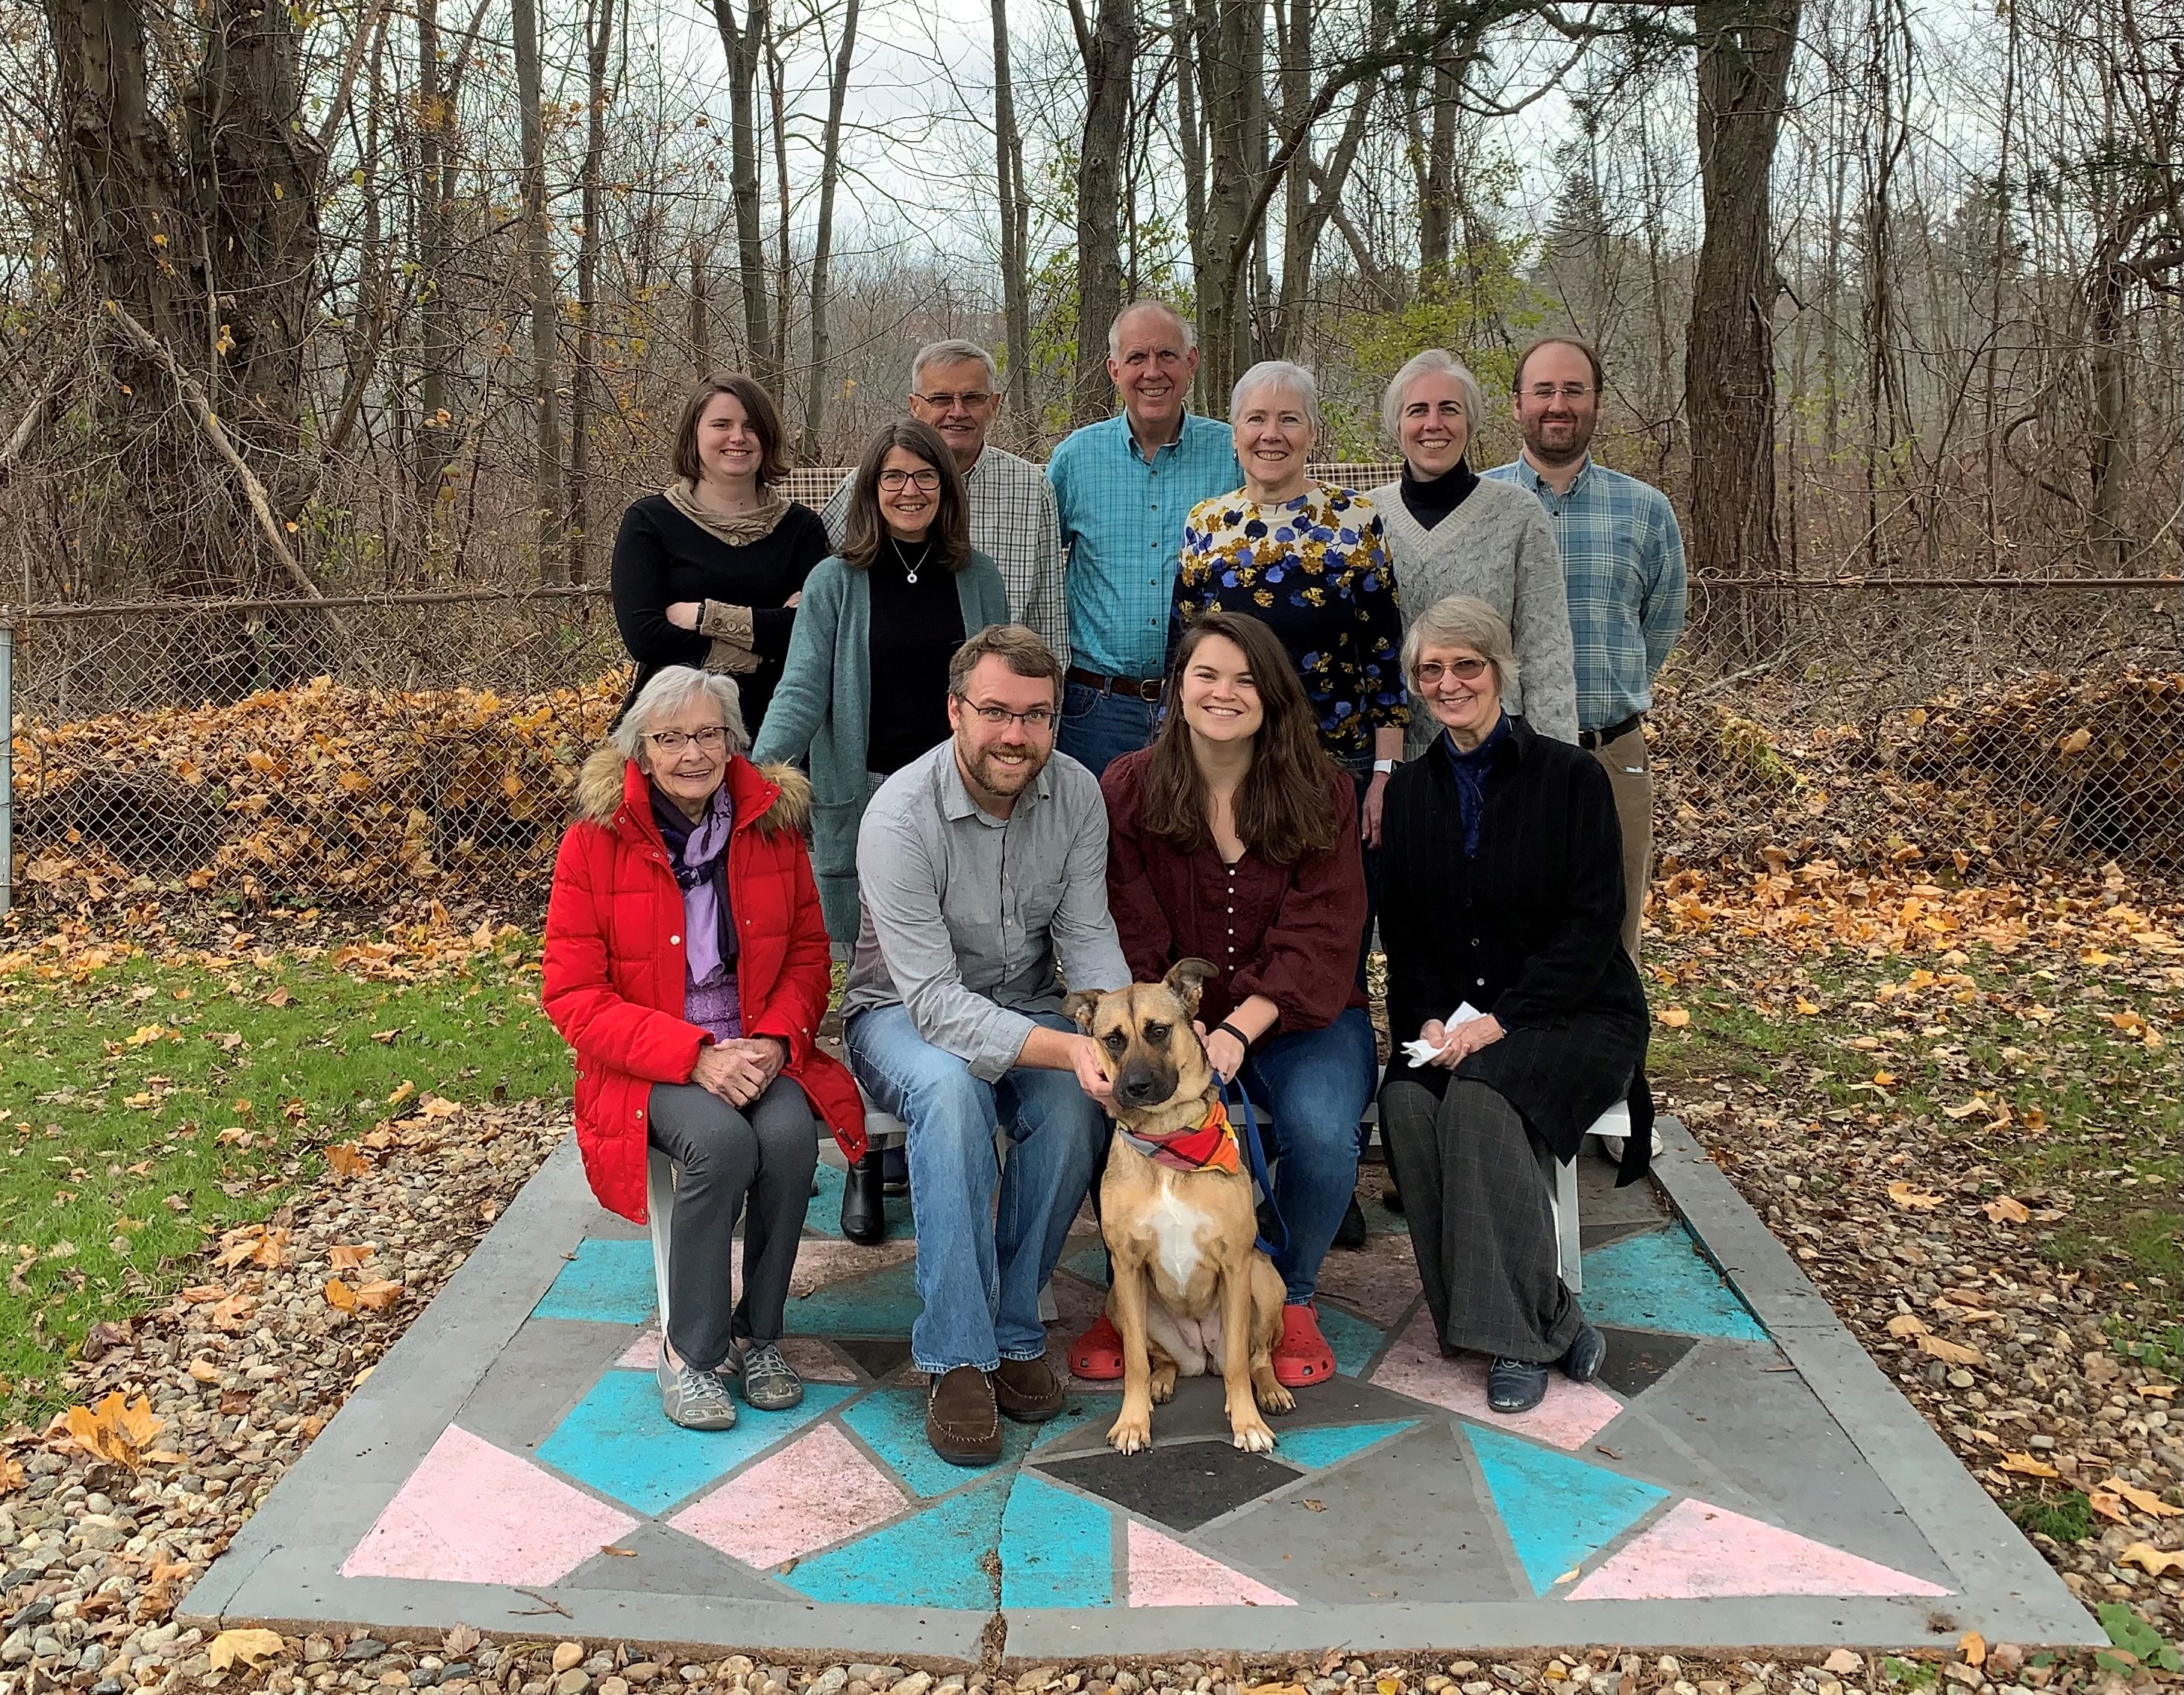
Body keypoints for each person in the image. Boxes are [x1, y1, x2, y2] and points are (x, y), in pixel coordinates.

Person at [542, 666, 865, 1431]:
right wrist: (692, 1055)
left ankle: (759, 1335)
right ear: (641, 751)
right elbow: (572, 996)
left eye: (708, 733)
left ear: (732, 740)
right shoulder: (594, 842)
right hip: (648, 1057)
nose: (693, 752)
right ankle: (689, 1351)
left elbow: (807, 956)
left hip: (755, 1041)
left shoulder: (771, 824)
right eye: (671, 737)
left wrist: (777, 1042)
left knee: (787, 1139)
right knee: (720, 1145)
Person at [842, 624, 1131, 1466]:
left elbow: (1088, 937)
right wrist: (1064, 1047)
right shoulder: (899, 813)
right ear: (955, 711)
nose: (1016, 735)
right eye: (996, 713)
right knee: (951, 1095)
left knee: (1077, 1105)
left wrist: (1110, 1035)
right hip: (898, 1015)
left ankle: (1011, 1331)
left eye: (1036, 716)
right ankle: (954, 1355)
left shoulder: (1075, 793)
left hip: (1030, 1002)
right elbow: (932, 1003)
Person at [1066, 610, 1375, 1391]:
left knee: (1320, 1129)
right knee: (1095, 1108)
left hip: (1300, 1014)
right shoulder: (1129, 787)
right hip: (1171, 1023)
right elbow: (1129, 927)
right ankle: (1140, 1292)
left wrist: (1236, 1027)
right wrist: (1178, 1028)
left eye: (1244, 679)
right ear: (1178, 687)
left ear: (1270, 696)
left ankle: (1289, 1290)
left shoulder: (1321, 792)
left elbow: (1325, 928)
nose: (1223, 693)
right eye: (1205, 674)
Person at [1376, 595, 1650, 1416]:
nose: (1449, 682)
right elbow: (1410, 934)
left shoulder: (1569, 777)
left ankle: (1520, 1333)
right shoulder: (1413, 793)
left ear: (1499, 671)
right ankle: (1505, 1315)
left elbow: (1594, 923)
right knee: (1407, 1101)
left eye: (1466, 665)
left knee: (1480, 1100)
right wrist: (1426, 1017)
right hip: (1456, 1020)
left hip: (1576, 1008)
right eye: (1431, 669)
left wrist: (1500, 1019)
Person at [1171, 360, 1407, 954]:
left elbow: (1384, 655)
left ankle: (1334, 1042)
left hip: (1334, 763)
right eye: (1255, 419)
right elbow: (1184, 652)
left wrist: (1382, 774)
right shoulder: (1207, 526)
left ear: (1311, 433)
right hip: (1229, 765)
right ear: (1234, 432)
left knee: (1331, 931)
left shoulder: (1354, 521)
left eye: (1288, 420)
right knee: (1239, 928)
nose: (1270, 434)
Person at [753, 419, 1010, 946]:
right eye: (893, 477)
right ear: (870, 488)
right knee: (871, 950)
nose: (909, 491)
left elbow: (1001, 690)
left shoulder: (978, 577)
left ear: (946, 486)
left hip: (956, 786)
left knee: (958, 936)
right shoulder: (834, 580)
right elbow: (801, 687)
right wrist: (757, 774)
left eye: (924, 476)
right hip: (865, 786)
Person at [1483, 337, 1686, 961]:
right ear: (1517, 404)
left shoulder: (1645, 510)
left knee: (1613, 923)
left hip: (1610, 752)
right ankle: (1511, 1057)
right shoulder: (1481, 504)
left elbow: (1662, 620)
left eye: (1573, 390)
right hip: (1504, 757)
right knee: (1504, 924)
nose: (1557, 404)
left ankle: (1615, 1057)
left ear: (1596, 402)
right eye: (1542, 391)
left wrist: (1606, 696)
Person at [1048, 301, 1242, 777]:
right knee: (1099, 846)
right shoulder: (1075, 460)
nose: (1152, 372)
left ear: (1191, 362)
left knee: (1198, 844)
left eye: (1167, 356)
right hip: (1097, 709)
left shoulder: (1234, 454)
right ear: (1114, 369)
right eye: (1137, 358)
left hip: (1203, 705)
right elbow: (1037, 570)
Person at [1369, 349, 1578, 748]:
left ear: (1470, 422)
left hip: (1500, 754)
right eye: (1418, 410)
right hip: (1402, 760)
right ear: (1397, 424)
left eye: (1449, 409)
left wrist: (1552, 764)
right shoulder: (1366, 517)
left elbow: (1546, 651)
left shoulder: (1517, 514)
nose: (1434, 424)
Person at [818, 339, 1068, 662]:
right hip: (881, 688)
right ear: (915, 406)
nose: (957, 412)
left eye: (972, 398)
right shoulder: (871, 485)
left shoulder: (1032, 489)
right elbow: (819, 589)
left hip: (993, 703)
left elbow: (1048, 624)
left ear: (995, 404)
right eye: (940, 399)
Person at [610, 374, 829, 736]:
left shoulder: (801, 529)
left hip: (775, 731)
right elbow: (645, 637)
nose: (738, 437)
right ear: (694, 436)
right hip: (671, 731)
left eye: (751, 426)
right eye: (721, 425)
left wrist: (702, 615)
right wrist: (763, 652)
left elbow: (810, 635)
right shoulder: (650, 522)